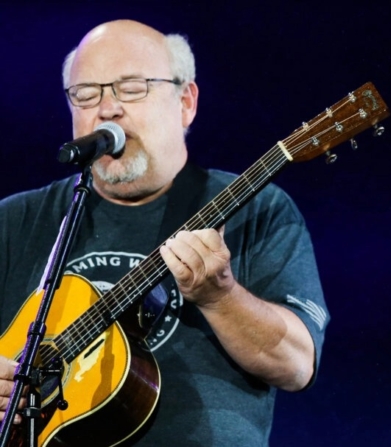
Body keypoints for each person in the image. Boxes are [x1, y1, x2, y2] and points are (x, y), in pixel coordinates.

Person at [0, 20, 328, 446]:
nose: (107, 108)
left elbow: (297, 365)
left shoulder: (258, 208)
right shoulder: (16, 220)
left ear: (185, 101)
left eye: (131, 87)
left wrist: (220, 297)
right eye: (86, 93)